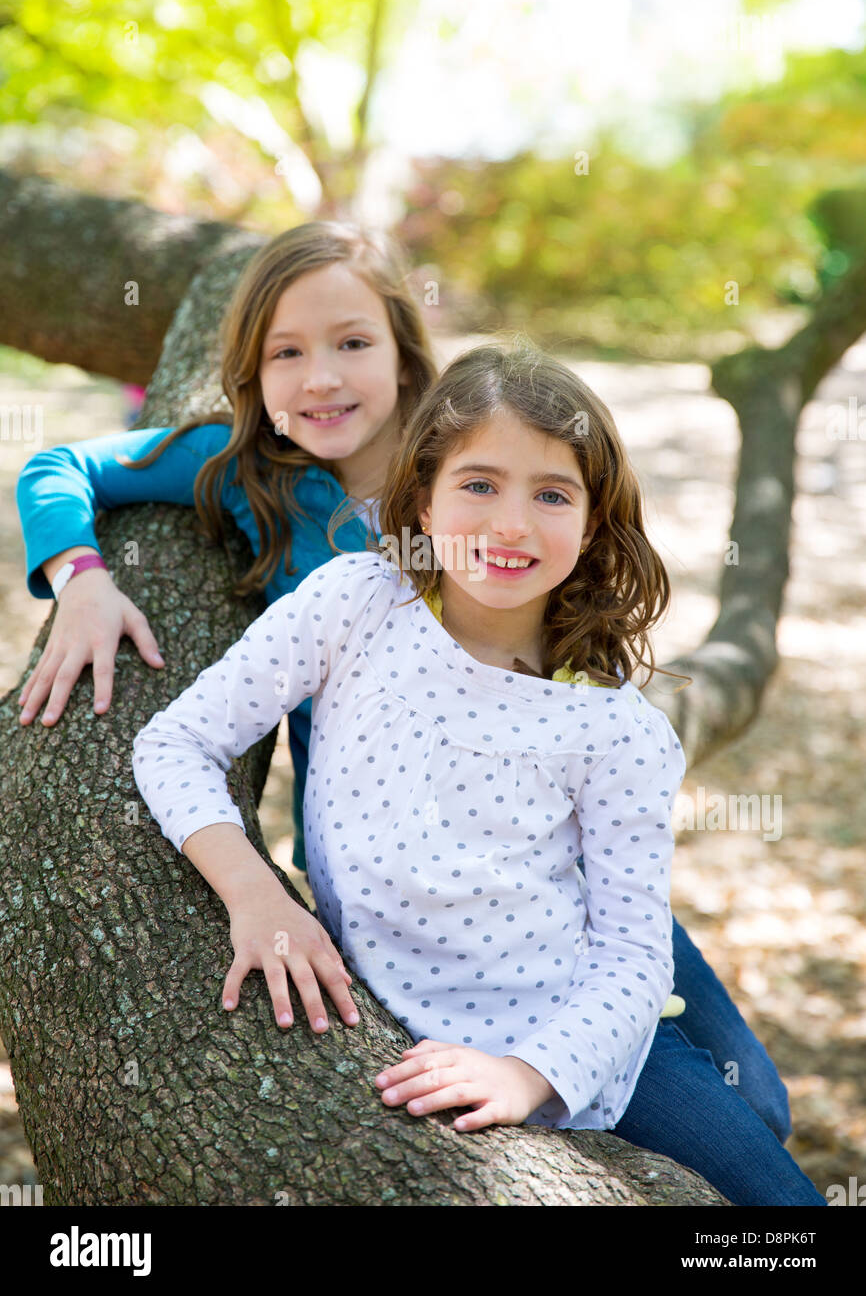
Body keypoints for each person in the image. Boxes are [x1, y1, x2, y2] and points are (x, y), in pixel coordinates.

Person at [13, 221, 811, 1199]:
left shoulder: (482, 454)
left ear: (402, 351)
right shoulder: (259, 482)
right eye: (286, 354)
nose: (322, 378)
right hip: (398, 857)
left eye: (353, 343)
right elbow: (58, 467)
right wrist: (82, 576)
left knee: (754, 1102)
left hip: (544, 847)